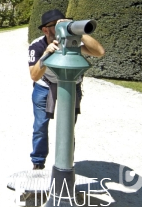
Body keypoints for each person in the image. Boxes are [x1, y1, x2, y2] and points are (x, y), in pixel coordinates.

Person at [28, 9, 105, 169]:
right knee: (40, 127)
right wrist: (46, 54)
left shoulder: (73, 41)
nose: (62, 27)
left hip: (71, 86)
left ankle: (66, 163)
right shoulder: (37, 45)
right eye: (56, 25)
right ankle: (38, 162)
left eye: (64, 23)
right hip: (45, 87)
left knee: (68, 126)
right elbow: (34, 76)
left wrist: (76, 31)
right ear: (45, 29)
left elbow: (99, 52)